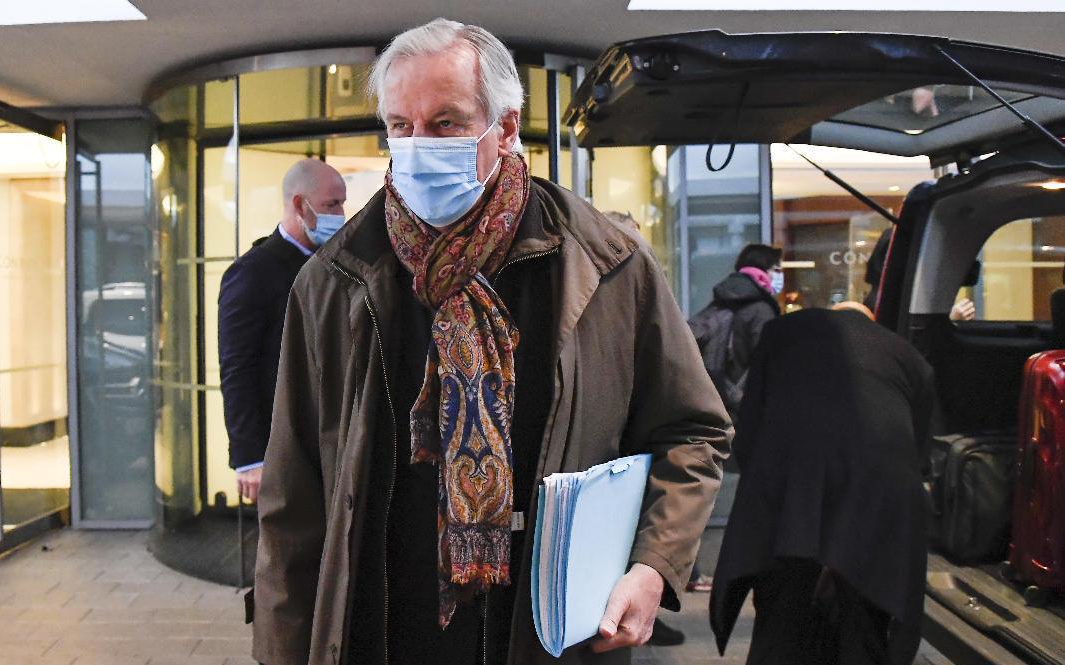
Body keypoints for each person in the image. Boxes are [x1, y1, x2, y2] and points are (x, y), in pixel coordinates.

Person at [251, 18, 732, 665]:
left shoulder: (607, 266)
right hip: (382, 626)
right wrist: (281, 651)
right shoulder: (333, 282)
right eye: (401, 125)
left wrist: (653, 566)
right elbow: (293, 500)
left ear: (504, 129)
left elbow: (691, 432)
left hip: (548, 631)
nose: (417, 145)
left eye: (445, 123)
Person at [710, 302, 935, 665]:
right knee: (863, 630)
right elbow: (918, 455)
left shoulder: (782, 333)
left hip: (791, 497)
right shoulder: (909, 358)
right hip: (879, 506)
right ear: (872, 324)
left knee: (783, 624)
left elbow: (750, 425)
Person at [217, 158, 347, 502]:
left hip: (330, 439)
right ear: (299, 205)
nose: (341, 214)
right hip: (283, 444)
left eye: (342, 203)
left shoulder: (334, 265)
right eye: (331, 205)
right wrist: (249, 458)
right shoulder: (253, 272)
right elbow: (237, 368)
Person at [689, 244, 783, 426]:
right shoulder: (761, 310)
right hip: (748, 407)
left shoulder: (722, 300)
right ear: (762, 270)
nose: (780, 276)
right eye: (776, 270)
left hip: (719, 400)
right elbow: (766, 363)